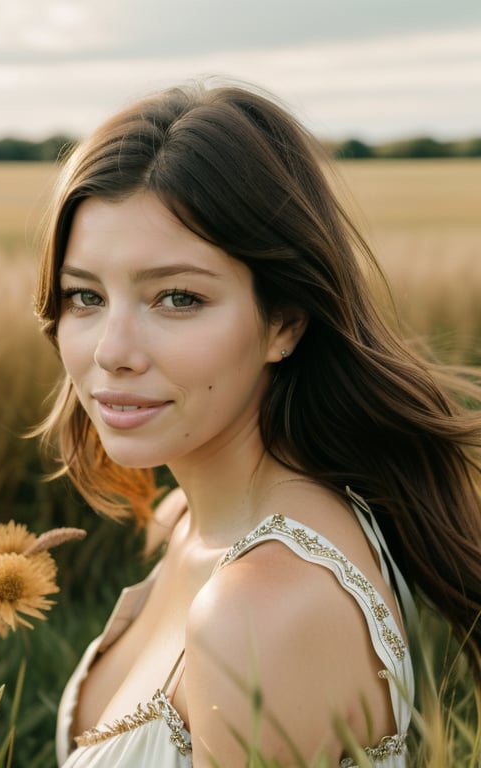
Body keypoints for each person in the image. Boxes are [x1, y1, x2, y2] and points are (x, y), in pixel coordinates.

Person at [34, 79, 481, 767]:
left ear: (284, 321)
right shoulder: (187, 520)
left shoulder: (263, 609)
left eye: (177, 297)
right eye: (84, 296)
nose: (112, 352)